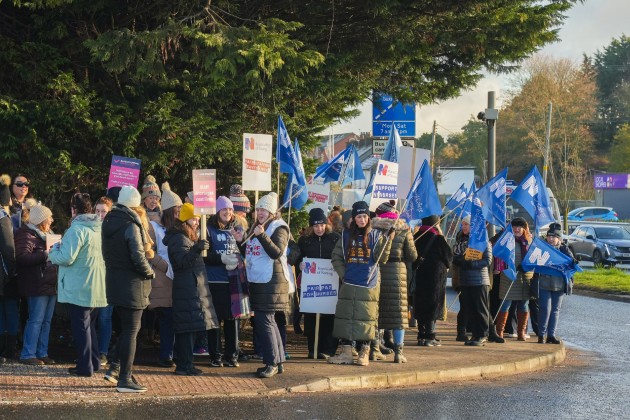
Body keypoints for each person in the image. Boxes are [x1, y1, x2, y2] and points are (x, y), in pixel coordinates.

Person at [101, 186, 155, 393]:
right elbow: (138, 256)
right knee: (131, 332)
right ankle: (124, 378)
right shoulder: (131, 224)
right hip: (133, 283)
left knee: (126, 330)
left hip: (115, 281)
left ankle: (118, 369)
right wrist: (149, 272)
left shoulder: (109, 220)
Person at [49, 193, 107, 376]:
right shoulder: (98, 228)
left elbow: (66, 257)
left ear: (74, 210)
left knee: (81, 327)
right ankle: (94, 362)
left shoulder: (77, 229)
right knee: (90, 327)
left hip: (80, 285)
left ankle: (84, 367)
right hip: (96, 283)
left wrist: (53, 252)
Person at [328, 201, 393, 366]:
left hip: (368, 285)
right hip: (349, 283)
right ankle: (346, 353)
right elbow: (336, 257)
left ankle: (364, 353)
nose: (362, 219)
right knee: (345, 319)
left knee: (367, 320)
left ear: (368, 218)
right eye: (359, 216)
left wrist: (388, 241)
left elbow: (382, 259)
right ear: (354, 218)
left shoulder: (376, 235)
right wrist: (344, 275)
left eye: (365, 216)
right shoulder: (345, 236)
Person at [237, 192, 290, 378]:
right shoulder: (258, 227)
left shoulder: (279, 228)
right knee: (268, 321)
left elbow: (275, 252)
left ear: (272, 212)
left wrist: (262, 236)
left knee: (264, 321)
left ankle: (271, 362)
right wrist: (240, 240)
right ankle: (278, 360)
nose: (260, 213)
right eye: (258, 209)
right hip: (259, 280)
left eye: (264, 210)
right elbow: (252, 252)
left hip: (272, 282)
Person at [163, 202, 219, 376]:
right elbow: (181, 263)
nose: (197, 222)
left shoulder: (186, 236)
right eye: (194, 219)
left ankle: (187, 363)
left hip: (192, 286)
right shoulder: (179, 238)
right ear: (186, 220)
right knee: (187, 328)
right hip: (187, 287)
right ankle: (184, 365)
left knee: (191, 327)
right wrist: (196, 250)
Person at [204, 196, 250, 368]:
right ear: (217, 211)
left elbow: (247, 250)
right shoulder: (208, 229)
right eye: (224, 209)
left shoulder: (238, 229)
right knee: (215, 320)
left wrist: (241, 242)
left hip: (234, 280)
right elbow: (205, 255)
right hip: (215, 281)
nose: (228, 212)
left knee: (233, 319)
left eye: (230, 210)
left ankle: (232, 355)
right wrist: (221, 258)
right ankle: (215, 355)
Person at [370, 201, 417, 363]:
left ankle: (374, 348)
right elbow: (412, 256)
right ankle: (398, 352)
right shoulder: (403, 229)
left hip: (379, 271)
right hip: (398, 273)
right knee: (398, 314)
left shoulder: (374, 227)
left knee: (377, 311)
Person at [15, 204, 58, 365]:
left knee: (46, 320)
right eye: (49, 217)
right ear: (41, 220)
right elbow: (21, 258)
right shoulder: (26, 235)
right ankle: (28, 353)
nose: (52, 220)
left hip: (50, 283)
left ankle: (42, 352)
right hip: (37, 284)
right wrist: (45, 255)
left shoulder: (48, 234)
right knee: (36, 320)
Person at [295, 208, 341, 359]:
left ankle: (328, 349)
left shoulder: (335, 238)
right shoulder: (305, 240)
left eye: (321, 225)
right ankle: (313, 347)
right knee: (311, 316)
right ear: (311, 227)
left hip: (331, 284)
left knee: (329, 316)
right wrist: (300, 263)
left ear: (326, 224)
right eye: (315, 226)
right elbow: (297, 257)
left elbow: (341, 257)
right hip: (312, 286)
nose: (319, 229)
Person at [146, 183, 181, 368]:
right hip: (162, 276)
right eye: (176, 210)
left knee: (174, 316)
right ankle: (166, 354)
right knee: (166, 316)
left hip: (177, 277)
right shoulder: (153, 226)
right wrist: (164, 265)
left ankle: (172, 352)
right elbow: (148, 250)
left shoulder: (178, 227)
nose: (179, 213)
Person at [451, 217, 493, 346]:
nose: (463, 227)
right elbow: (455, 256)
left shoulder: (482, 241)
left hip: (479, 280)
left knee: (480, 309)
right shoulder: (460, 241)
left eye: (466, 224)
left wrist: (471, 264)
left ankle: (482, 335)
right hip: (465, 280)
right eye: (463, 224)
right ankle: (474, 334)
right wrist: (460, 261)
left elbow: (487, 260)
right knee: (470, 309)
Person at [413, 214, 452, 347]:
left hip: (420, 275)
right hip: (435, 278)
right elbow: (449, 258)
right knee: (432, 305)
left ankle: (421, 336)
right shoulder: (438, 238)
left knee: (421, 303)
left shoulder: (416, 236)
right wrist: (441, 235)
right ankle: (430, 336)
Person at [494, 217, 534, 341]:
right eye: (514, 227)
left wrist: (527, 267)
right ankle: (500, 331)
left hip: (524, 278)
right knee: (505, 304)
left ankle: (521, 332)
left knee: (523, 304)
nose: (517, 229)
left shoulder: (529, 242)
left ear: (524, 229)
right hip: (508, 277)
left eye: (519, 227)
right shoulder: (507, 241)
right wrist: (498, 268)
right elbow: (499, 255)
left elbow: (534, 259)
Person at [537, 226, 574, 344]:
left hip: (559, 283)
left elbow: (572, 263)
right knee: (544, 309)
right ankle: (541, 335)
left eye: (554, 237)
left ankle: (551, 335)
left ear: (559, 239)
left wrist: (573, 261)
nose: (551, 239)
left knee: (555, 310)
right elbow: (533, 260)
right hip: (544, 283)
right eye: (549, 236)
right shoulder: (542, 248)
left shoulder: (564, 250)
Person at [0, 175, 19, 363]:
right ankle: (9, 349)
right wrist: (13, 271)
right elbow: (8, 247)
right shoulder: (3, 218)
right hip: (4, 274)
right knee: (10, 310)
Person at [94, 196, 114, 366]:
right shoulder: (90, 228)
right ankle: (92, 350)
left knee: (105, 317)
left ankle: (103, 352)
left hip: (109, 279)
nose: (100, 215)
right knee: (92, 317)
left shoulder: (114, 230)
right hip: (93, 279)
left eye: (104, 211)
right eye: (97, 211)